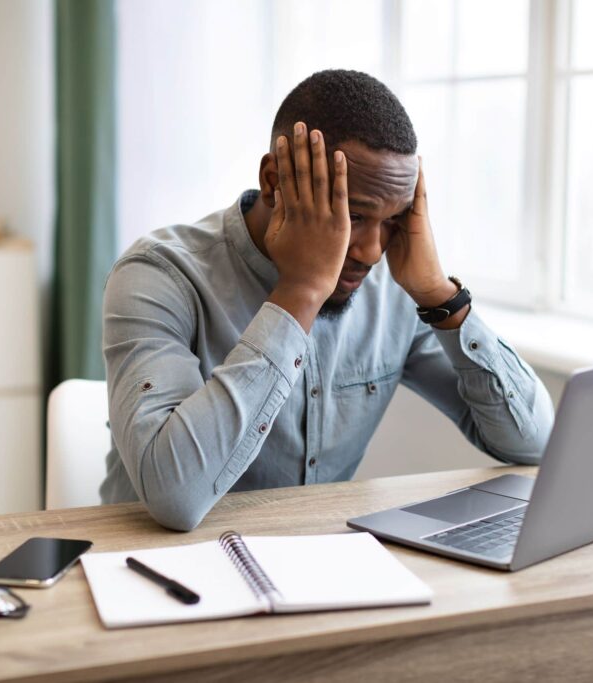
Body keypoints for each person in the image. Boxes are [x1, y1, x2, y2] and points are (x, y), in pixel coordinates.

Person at [100, 70, 554, 530]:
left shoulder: (395, 289)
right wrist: (300, 292)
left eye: (394, 220)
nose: (372, 251)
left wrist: (440, 295)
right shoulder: (159, 274)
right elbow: (174, 496)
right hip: (157, 572)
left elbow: (534, 444)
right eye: (353, 214)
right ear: (275, 182)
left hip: (322, 566)